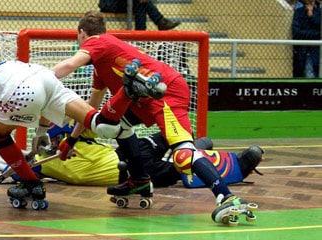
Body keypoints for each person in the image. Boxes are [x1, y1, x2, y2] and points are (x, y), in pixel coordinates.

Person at [51, 11, 261, 223]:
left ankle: (227, 198)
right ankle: (140, 180)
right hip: (143, 99)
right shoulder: (100, 64)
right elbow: (91, 109)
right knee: (114, 126)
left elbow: (69, 65)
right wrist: (72, 139)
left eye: (78, 37)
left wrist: (39, 78)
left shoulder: (98, 41)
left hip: (166, 92)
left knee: (183, 155)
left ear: (81, 33)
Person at [0, 53, 122, 208]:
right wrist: (41, 132)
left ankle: (31, 183)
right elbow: (43, 105)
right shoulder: (3, 68)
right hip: (44, 76)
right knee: (99, 123)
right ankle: (126, 95)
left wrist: (16, 158)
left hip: (23, 90)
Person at [0, 123, 264, 189]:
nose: (54, 142)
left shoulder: (76, 138)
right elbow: (23, 173)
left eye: (56, 137)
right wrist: (17, 164)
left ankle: (192, 145)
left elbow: (88, 121)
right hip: (129, 174)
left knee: (168, 136)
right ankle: (233, 164)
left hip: (127, 153)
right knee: (177, 170)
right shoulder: (46, 165)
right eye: (50, 140)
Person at [98, 0, 181, 30]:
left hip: (127, 3)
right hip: (110, 4)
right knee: (141, 3)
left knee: (141, 5)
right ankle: (160, 22)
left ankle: (140, 34)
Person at [292, 0, 321, 78]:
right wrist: (315, 34)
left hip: (316, 50)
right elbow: (296, 32)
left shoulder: (319, 12)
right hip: (303, 50)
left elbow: (320, 28)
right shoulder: (298, 12)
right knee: (308, 74)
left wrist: (311, 16)